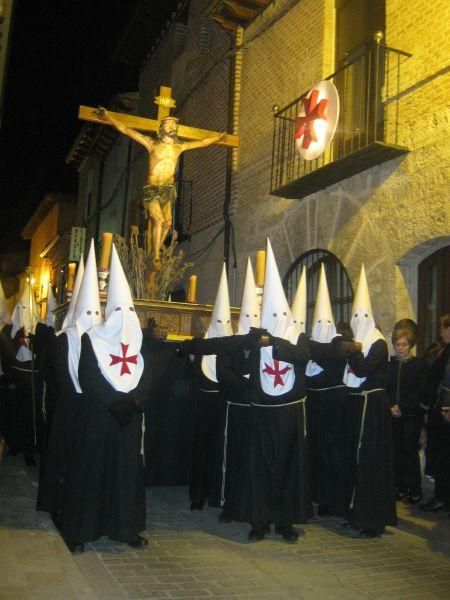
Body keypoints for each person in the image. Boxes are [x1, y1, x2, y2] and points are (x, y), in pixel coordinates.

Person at [60, 244, 147, 553]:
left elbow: (144, 375)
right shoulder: (92, 338)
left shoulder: (138, 341)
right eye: (120, 310)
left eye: (130, 311)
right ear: (110, 312)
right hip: (99, 417)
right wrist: (115, 403)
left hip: (127, 422)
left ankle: (125, 529)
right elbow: (89, 378)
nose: (126, 317)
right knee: (91, 473)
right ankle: (80, 531)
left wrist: (134, 402)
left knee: (125, 477)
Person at [97, 107, 226, 270]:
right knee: (158, 220)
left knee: (167, 223)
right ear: (161, 128)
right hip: (152, 189)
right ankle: (156, 256)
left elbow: (201, 142)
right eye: (169, 124)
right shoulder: (151, 144)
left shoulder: (179, 147)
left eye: (175, 125)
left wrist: (218, 138)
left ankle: (154, 252)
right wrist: (108, 115)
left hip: (168, 190)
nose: (173, 127)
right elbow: (125, 129)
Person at [342, 265, 397, 537]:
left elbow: (362, 370)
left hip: (373, 407)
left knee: (371, 462)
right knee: (355, 459)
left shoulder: (378, 343)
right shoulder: (360, 341)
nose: (359, 319)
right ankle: (355, 511)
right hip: (358, 404)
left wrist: (351, 350)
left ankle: (373, 519)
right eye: (356, 316)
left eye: (363, 315)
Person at [304, 264, 350, 517]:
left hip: (334, 407)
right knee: (317, 454)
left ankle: (332, 500)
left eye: (325, 322)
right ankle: (317, 495)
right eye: (317, 322)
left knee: (332, 455)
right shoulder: (314, 345)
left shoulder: (338, 344)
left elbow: (330, 359)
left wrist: (313, 350)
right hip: (316, 408)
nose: (321, 325)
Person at [387, 327, 428, 504]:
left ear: (410, 345)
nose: (401, 348)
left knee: (410, 452)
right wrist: (390, 406)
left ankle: (414, 489)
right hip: (393, 415)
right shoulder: (391, 365)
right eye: (398, 345)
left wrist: (402, 407)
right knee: (396, 452)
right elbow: (387, 388)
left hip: (410, 415)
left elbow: (419, 392)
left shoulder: (418, 365)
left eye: (404, 345)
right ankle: (400, 487)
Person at [419, 314, 450, 513]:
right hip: (439, 410)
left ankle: (442, 497)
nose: (440, 332)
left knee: (444, 456)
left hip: (445, 409)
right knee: (440, 455)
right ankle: (441, 495)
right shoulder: (445, 350)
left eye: (442, 328)